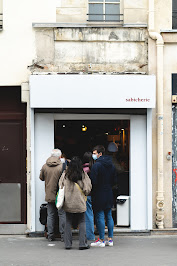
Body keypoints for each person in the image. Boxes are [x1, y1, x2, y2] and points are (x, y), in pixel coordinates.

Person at [59, 156, 92, 250]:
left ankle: (68, 244)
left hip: (68, 202)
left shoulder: (65, 174)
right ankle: (82, 244)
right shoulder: (83, 174)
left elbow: (60, 185)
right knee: (82, 222)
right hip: (80, 202)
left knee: (68, 222)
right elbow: (87, 188)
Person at [90, 145, 117, 247]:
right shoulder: (112, 165)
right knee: (109, 215)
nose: (94, 155)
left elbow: (93, 181)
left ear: (100, 154)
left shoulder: (96, 166)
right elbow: (115, 180)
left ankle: (101, 239)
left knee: (100, 215)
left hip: (98, 192)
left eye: (95, 153)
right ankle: (110, 239)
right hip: (109, 192)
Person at [39, 149, 66, 242]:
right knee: (62, 214)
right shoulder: (62, 166)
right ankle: (63, 235)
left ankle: (50, 235)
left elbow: (41, 178)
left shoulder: (45, 166)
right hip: (60, 194)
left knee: (50, 215)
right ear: (59, 156)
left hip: (49, 194)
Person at [83, 152, 95, 241]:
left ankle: (90, 235)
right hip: (95, 193)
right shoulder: (95, 167)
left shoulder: (84, 169)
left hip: (87, 194)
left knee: (88, 215)